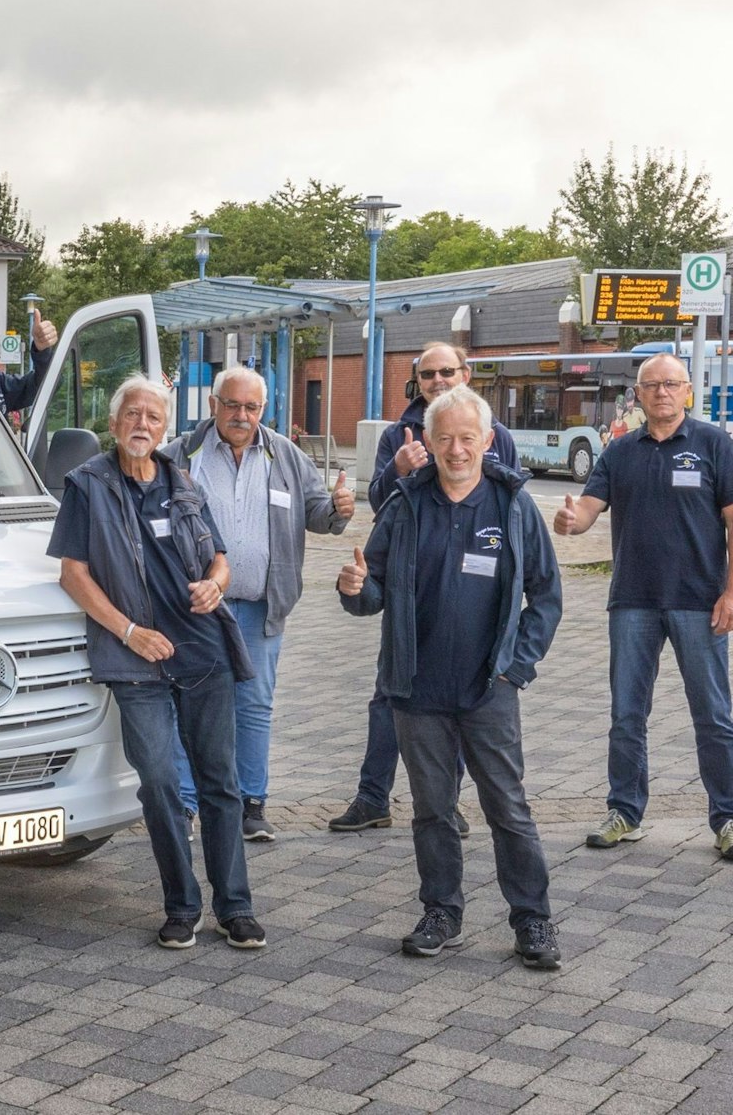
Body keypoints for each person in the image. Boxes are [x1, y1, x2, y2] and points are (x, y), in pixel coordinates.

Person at [339, 386, 563, 969]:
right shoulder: (406, 505)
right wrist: (357, 591)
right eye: (446, 439)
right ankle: (442, 911)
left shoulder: (514, 507)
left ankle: (533, 920)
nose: (457, 449)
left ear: (488, 441)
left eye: (468, 438)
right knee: (432, 810)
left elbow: (546, 596)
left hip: (489, 688)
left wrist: (518, 666)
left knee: (507, 808)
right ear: (429, 443)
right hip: (416, 689)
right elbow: (374, 592)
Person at [48, 375, 265, 951]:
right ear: (115, 423)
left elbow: (220, 559)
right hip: (133, 659)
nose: (143, 425)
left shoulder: (183, 482)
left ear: (165, 428)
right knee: (162, 783)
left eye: (154, 417)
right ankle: (181, 904)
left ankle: (235, 906)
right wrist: (129, 631)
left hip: (203, 652)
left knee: (221, 782)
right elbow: (74, 574)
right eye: (133, 415)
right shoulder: (87, 486)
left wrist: (216, 586)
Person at [328, 342, 517, 834]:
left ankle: (444, 802)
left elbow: (510, 499)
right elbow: (378, 500)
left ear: (466, 374)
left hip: (474, 601)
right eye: (428, 374)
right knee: (388, 700)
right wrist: (401, 470)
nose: (438, 380)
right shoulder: (401, 432)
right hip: (412, 602)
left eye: (447, 371)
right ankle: (373, 797)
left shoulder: (494, 429)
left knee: (455, 708)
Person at [164, 366, 353, 841]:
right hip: (196, 607)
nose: (242, 415)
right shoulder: (182, 454)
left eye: (252, 407)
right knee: (191, 704)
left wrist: (338, 510)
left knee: (254, 706)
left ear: (263, 410)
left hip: (260, 607)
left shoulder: (284, 455)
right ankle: (187, 805)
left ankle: (252, 804)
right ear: (213, 405)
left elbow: (317, 512)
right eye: (232, 405)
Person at [556, 353, 733, 859]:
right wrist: (570, 522)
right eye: (651, 385)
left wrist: (731, 593)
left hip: (700, 603)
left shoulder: (714, 445)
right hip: (633, 600)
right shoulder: (620, 451)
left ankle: (727, 817)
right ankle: (625, 812)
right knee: (627, 714)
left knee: (714, 716)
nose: (662, 392)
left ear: (687, 392)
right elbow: (587, 512)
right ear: (637, 394)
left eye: (671, 384)